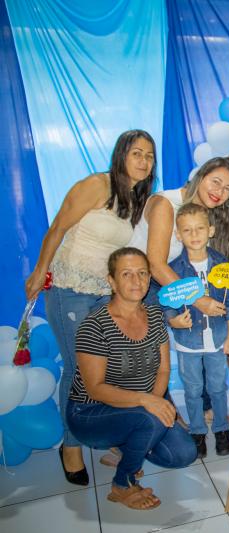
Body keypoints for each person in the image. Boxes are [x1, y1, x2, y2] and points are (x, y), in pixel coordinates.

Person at [24, 130, 157, 485]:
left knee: (106, 370)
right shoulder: (96, 185)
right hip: (69, 288)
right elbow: (57, 228)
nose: (144, 161)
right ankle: (71, 447)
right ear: (121, 155)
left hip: (103, 292)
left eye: (149, 156)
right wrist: (39, 271)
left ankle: (103, 431)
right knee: (79, 369)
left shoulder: (137, 197)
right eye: (137, 153)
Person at [66, 248, 197, 509]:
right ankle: (122, 484)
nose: (137, 281)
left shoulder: (155, 315)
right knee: (149, 418)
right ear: (112, 281)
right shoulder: (95, 325)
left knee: (184, 454)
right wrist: (147, 403)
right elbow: (95, 389)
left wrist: (155, 402)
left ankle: (129, 442)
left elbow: (163, 370)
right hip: (91, 413)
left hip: (137, 407)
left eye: (142, 273)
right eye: (126, 274)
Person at [128, 156, 229, 410]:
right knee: (150, 360)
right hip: (141, 287)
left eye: (227, 189)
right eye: (216, 182)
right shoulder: (167, 204)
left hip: (176, 284)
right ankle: (162, 415)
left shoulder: (206, 214)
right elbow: (155, 265)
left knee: (204, 336)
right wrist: (198, 299)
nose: (219, 192)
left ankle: (204, 408)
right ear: (200, 176)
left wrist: (225, 289)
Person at [165, 204, 229, 458]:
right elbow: (166, 302)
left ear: (211, 230)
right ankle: (197, 431)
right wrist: (173, 320)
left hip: (217, 340)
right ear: (178, 234)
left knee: (218, 387)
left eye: (200, 228)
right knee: (193, 390)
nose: (194, 234)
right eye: (187, 230)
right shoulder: (173, 269)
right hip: (188, 343)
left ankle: (221, 429)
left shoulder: (222, 264)